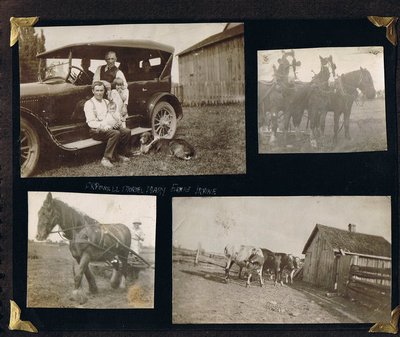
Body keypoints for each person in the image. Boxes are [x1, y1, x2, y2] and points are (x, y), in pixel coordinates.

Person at [84, 81, 131, 168]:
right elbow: (91, 122)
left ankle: (119, 154)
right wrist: (104, 125)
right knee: (115, 133)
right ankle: (106, 158)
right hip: (96, 129)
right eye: (97, 90)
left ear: (104, 91)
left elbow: (113, 114)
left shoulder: (106, 101)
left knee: (126, 131)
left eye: (101, 90)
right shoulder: (89, 104)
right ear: (92, 91)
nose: (99, 93)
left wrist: (117, 121)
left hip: (110, 127)